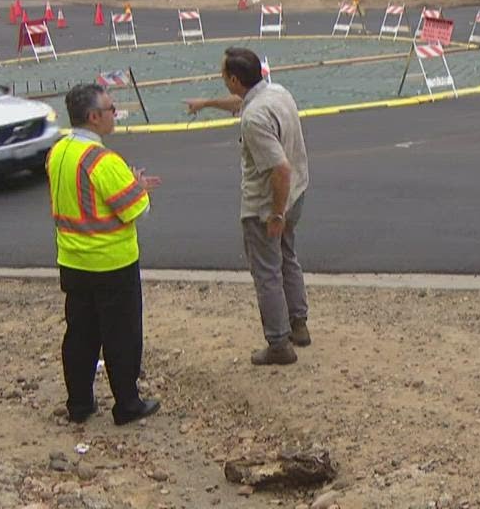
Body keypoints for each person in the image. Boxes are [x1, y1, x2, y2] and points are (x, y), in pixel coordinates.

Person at [185, 48, 311, 366]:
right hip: (296, 194)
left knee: (267, 273)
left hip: (267, 206)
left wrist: (275, 214)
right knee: (287, 257)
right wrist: (206, 103)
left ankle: (278, 343)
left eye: (224, 76)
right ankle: (298, 322)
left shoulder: (254, 119)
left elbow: (280, 169)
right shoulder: (277, 92)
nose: (222, 79)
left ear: (234, 80)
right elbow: (240, 102)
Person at [47, 83, 162, 425]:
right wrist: (136, 187)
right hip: (112, 262)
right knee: (121, 336)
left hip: (72, 260)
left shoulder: (59, 152)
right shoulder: (103, 160)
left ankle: (79, 403)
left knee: (80, 335)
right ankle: (127, 404)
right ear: (94, 117)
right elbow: (136, 210)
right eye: (111, 109)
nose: (115, 114)